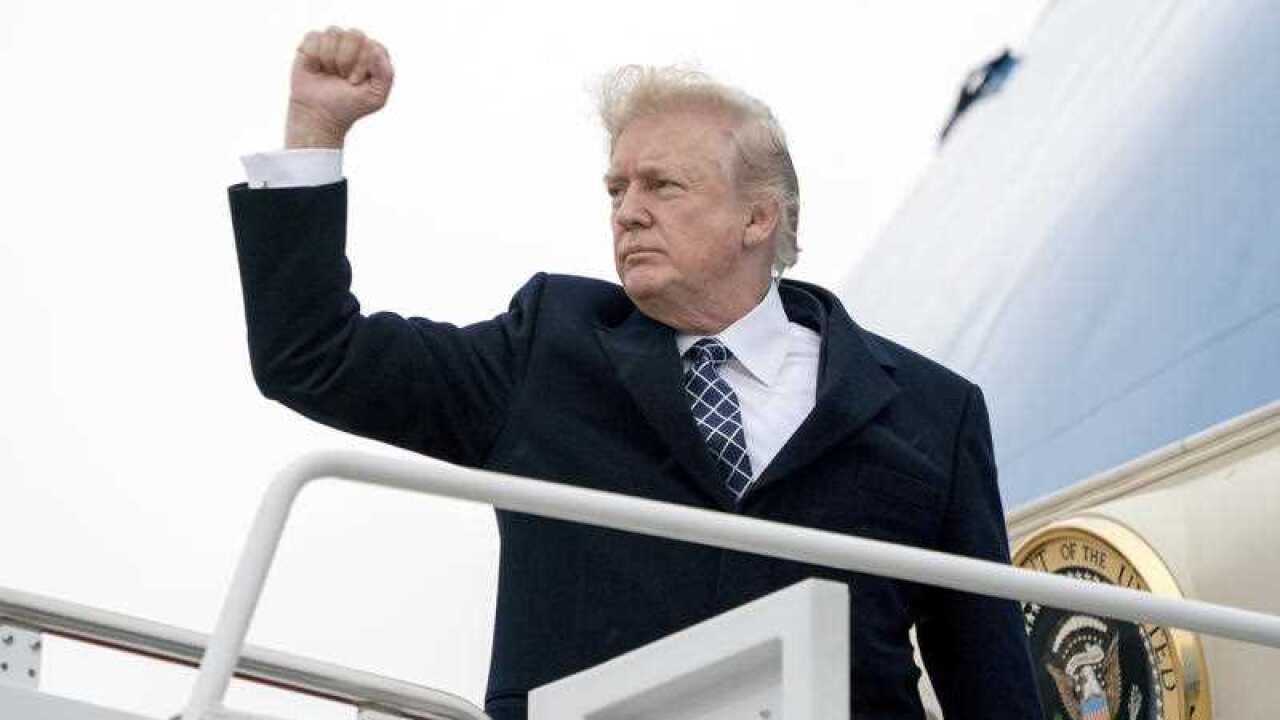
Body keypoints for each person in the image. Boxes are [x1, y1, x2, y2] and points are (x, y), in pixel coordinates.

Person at [230, 26, 1041, 720]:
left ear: (759, 217)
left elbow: (992, 689)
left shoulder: (936, 412)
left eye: (662, 185)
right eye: (617, 187)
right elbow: (315, 356)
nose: (626, 211)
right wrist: (314, 132)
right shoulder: (545, 349)